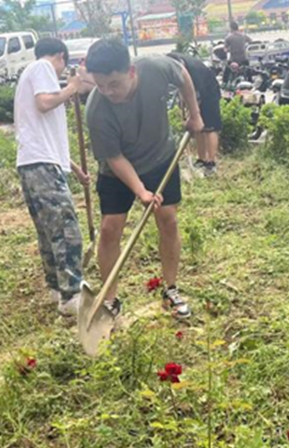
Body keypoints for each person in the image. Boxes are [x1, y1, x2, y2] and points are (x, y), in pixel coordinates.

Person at [85, 39, 204, 320]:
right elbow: (114, 158)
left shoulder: (155, 67)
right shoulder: (97, 108)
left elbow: (183, 75)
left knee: (168, 219)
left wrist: (195, 114)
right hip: (117, 170)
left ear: (131, 71)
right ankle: (110, 300)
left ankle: (171, 288)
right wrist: (141, 191)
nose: (107, 91)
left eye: (113, 83)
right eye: (100, 85)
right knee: (110, 228)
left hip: (160, 157)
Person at [14, 37, 87, 316]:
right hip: (41, 165)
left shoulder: (29, 75)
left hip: (35, 163)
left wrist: (76, 170)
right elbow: (45, 103)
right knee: (67, 231)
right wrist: (71, 87)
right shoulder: (42, 67)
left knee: (49, 230)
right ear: (60, 56)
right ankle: (71, 295)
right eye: (62, 67)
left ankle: (57, 288)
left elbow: (43, 134)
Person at [167, 52, 222, 177]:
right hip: (196, 94)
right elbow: (183, 89)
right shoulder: (173, 62)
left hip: (209, 93)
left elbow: (197, 95)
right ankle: (201, 159)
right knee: (198, 129)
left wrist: (193, 113)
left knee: (210, 127)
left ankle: (211, 162)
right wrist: (185, 107)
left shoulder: (195, 72)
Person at [223, 21, 252, 86]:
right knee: (248, 69)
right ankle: (250, 80)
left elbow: (225, 49)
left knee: (226, 71)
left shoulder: (228, 37)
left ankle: (224, 83)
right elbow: (250, 41)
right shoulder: (243, 35)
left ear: (231, 28)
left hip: (234, 60)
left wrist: (229, 50)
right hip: (243, 59)